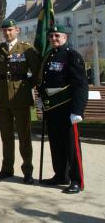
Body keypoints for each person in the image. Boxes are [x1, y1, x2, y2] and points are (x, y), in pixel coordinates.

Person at [0, 19, 40, 184]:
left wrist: (24, 86)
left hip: (20, 97)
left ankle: (27, 171)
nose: (7, 33)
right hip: (2, 97)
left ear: (17, 30)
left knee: (24, 136)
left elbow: (37, 73)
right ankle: (7, 168)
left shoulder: (26, 48)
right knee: (6, 135)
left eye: (10, 30)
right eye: (5, 31)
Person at [39, 25, 89, 194]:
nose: (54, 38)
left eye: (57, 35)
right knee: (56, 144)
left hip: (68, 109)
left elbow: (81, 85)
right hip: (53, 108)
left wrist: (78, 110)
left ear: (65, 37)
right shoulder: (50, 55)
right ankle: (60, 175)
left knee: (71, 146)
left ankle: (77, 180)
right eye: (51, 36)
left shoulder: (71, 55)